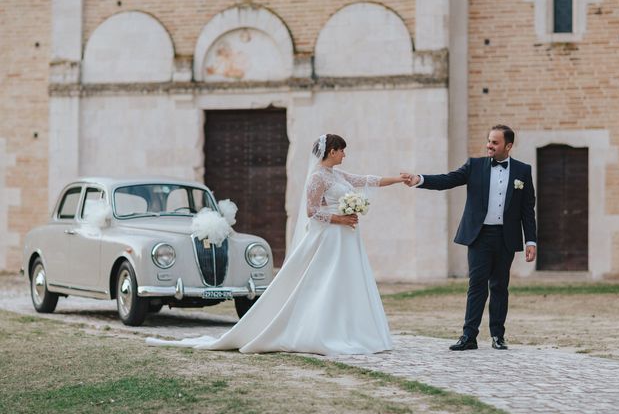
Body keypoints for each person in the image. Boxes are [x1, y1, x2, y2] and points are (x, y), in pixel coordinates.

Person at [148, 134, 405, 355]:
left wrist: (398, 179)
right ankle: (320, 332)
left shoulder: (336, 175)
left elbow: (364, 180)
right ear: (332, 151)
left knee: (348, 282)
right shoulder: (317, 178)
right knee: (325, 282)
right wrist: (341, 217)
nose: (345, 155)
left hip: (347, 239)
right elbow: (312, 211)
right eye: (342, 151)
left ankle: (352, 330)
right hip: (330, 238)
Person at [402, 125, 537, 351]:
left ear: (509, 146)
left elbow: (527, 209)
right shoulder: (474, 166)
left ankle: (498, 336)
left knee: (500, 286)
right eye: (488, 141)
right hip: (479, 236)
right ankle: (468, 337)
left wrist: (530, 240)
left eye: (495, 142)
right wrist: (420, 179)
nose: (489, 145)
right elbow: (448, 180)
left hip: (506, 237)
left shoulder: (523, 171)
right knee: (476, 286)